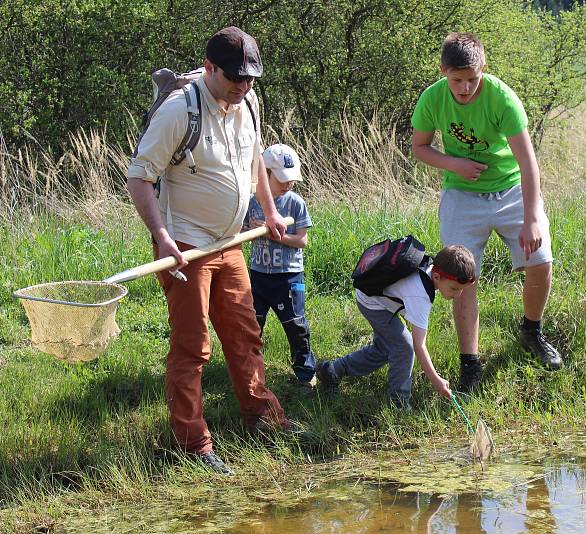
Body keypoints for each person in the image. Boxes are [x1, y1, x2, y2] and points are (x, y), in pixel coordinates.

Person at [126, 26, 293, 476]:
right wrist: (162, 237)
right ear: (209, 68)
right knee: (192, 347)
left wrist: (270, 210)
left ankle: (264, 419)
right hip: (185, 246)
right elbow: (140, 176)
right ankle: (193, 443)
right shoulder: (181, 110)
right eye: (235, 77)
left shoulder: (249, 102)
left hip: (229, 241)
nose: (243, 86)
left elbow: (254, 157)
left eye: (251, 78)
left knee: (244, 334)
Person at [410, 32, 563, 394]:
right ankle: (470, 364)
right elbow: (419, 147)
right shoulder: (432, 99)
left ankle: (531, 331)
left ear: (483, 69)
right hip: (462, 193)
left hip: (510, 188)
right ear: (444, 71)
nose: (464, 88)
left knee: (540, 259)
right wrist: (454, 164)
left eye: (471, 79)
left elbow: (528, 163)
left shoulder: (502, 98)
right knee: (460, 275)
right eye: (457, 80)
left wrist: (529, 219)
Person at [315, 245, 477, 409]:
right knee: (404, 347)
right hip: (373, 302)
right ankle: (399, 405)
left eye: (462, 290)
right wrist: (437, 381)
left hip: (380, 298)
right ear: (436, 275)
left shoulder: (430, 268)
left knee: (385, 348)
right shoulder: (420, 294)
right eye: (454, 288)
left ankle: (333, 370)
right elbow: (418, 345)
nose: (458, 295)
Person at [243, 143, 317, 388]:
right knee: (252, 325)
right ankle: (249, 375)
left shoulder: (296, 203)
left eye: (292, 179)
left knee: (295, 325)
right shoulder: (252, 202)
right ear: (265, 174)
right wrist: (252, 230)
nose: (288, 184)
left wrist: (279, 237)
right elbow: (240, 231)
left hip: (288, 277)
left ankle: (305, 374)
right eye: (282, 179)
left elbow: (302, 240)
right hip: (259, 276)